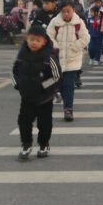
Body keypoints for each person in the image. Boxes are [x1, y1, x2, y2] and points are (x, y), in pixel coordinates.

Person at [12, 24, 61, 159]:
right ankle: (26, 145)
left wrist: (43, 87)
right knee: (24, 122)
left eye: (38, 40)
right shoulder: (22, 56)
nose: (34, 43)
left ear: (44, 42)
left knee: (44, 124)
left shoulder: (49, 58)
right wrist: (18, 85)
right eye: (31, 39)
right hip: (27, 97)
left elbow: (57, 76)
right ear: (27, 39)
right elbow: (15, 72)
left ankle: (44, 144)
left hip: (44, 98)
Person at [47, 0, 89, 122]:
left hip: (72, 61)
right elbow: (48, 36)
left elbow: (86, 38)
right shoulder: (55, 22)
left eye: (68, 11)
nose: (66, 14)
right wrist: (55, 47)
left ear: (73, 11)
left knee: (69, 85)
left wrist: (74, 47)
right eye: (63, 11)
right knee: (58, 83)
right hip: (57, 60)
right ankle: (51, 91)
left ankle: (68, 109)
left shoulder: (79, 22)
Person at [86, 2, 103, 66]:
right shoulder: (89, 19)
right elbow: (87, 27)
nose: (90, 13)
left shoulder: (101, 20)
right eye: (90, 12)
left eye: (92, 12)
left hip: (98, 37)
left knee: (97, 49)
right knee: (90, 48)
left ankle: (97, 59)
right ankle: (91, 58)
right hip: (91, 37)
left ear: (96, 12)